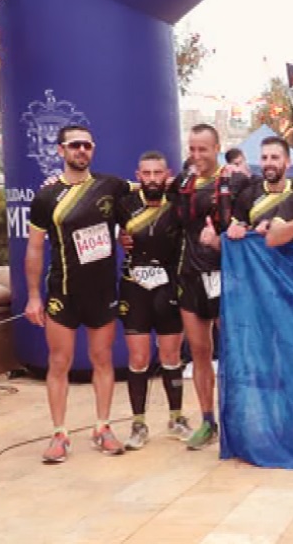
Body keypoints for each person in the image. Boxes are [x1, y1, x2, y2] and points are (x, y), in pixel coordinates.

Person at [25, 124, 134, 463]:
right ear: (61, 150)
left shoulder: (111, 186)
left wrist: (124, 236)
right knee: (59, 362)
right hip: (64, 291)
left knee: (102, 359)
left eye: (87, 145)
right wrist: (33, 296)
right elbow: (34, 248)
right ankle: (59, 434)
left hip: (102, 291)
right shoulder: (46, 197)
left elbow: (151, 190)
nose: (81, 150)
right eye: (74, 145)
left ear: (93, 149)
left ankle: (103, 427)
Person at [116, 151, 193, 449]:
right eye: (146, 173)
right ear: (138, 175)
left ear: (167, 175)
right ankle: (138, 425)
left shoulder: (177, 202)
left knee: (171, 357)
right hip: (135, 288)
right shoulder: (125, 204)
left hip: (169, 286)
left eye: (157, 173)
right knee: (138, 358)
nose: (151, 179)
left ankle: (176, 419)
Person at [172, 123, 235, 450]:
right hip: (191, 276)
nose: (197, 155)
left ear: (217, 148)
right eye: (192, 149)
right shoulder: (182, 183)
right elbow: (143, 191)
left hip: (226, 276)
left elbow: (256, 213)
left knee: (233, 352)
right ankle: (208, 421)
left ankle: (236, 420)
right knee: (199, 351)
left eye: (203, 149)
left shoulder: (235, 181)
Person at [227, 136, 293, 239]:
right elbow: (235, 227)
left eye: (274, 157)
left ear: (287, 162)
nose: (268, 163)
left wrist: (273, 226)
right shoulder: (247, 195)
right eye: (264, 158)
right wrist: (241, 227)